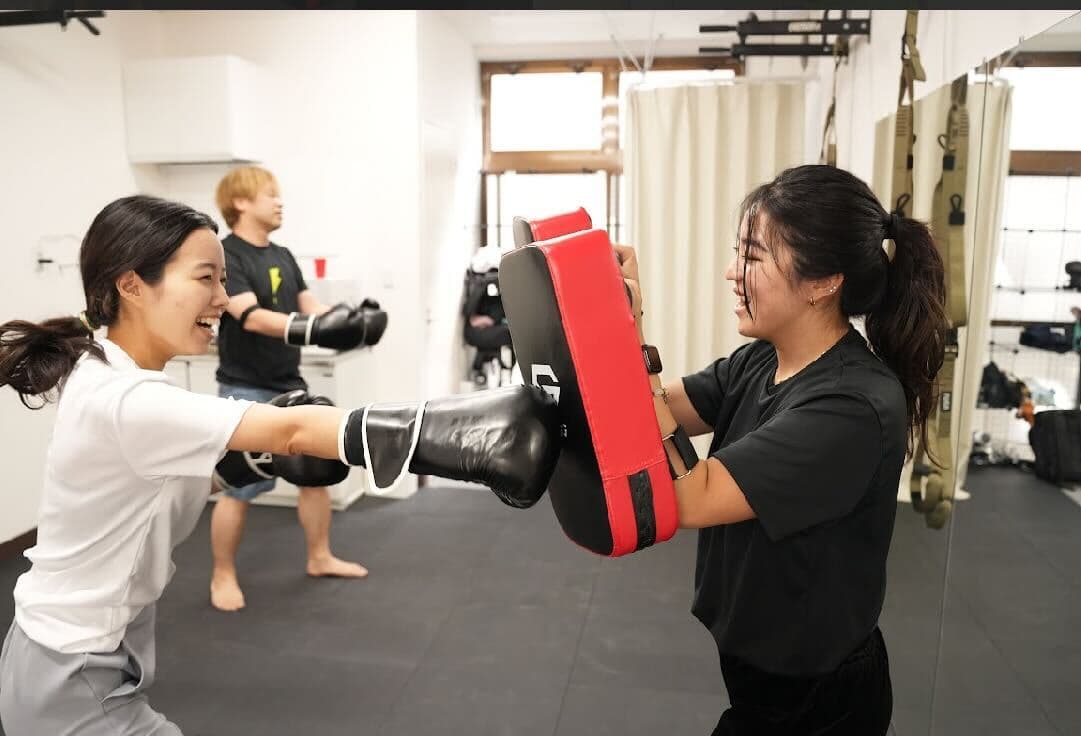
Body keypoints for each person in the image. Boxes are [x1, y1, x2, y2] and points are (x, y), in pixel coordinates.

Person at [0, 195, 557, 735]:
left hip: (67, 654)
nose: (221, 297)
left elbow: (155, 488)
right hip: (71, 673)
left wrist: (249, 465)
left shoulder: (111, 375)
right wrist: (461, 431)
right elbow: (291, 429)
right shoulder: (126, 398)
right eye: (205, 278)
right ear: (131, 286)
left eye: (223, 279)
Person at [617, 165, 948, 735]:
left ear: (823, 282)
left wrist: (633, 332)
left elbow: (690, 499)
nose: (730, 273)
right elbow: (651, 415)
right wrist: (604, 323)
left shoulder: (852, 405)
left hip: (819, 702)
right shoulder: (762, 359)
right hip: (764, 677)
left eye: (751, 256)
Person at [210, 165, 372, 612]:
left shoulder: (282, 254)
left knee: (315, 476)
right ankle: (222, 574)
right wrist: (313, 329)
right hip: (245, 388)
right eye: (270, 194)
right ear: (240, 202)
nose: (280, 202)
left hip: (290, 382)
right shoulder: (228, 256)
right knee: (238, 487)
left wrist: (345, 319)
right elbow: (250, 316)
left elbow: (307, 305)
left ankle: (319, 557)